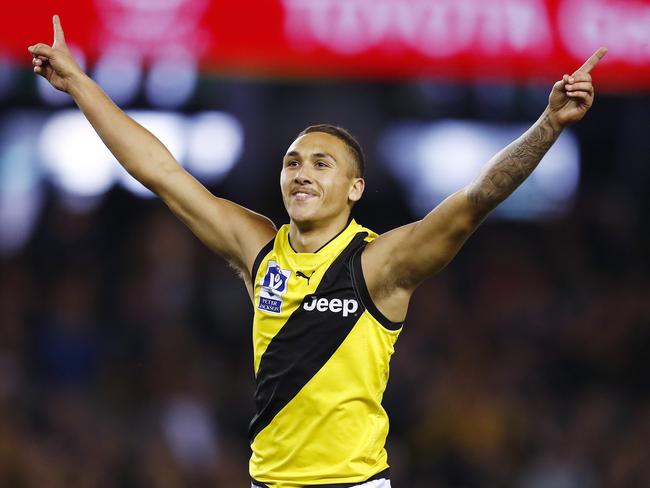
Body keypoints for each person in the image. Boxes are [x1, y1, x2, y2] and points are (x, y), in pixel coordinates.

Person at [29, 14, 607, 488]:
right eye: (292, 163)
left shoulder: (381, 263)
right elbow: (161, 173)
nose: (301, 174)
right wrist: (79, 82)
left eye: (321, 164)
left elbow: (478, 197)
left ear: (355, 189)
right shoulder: (259, 248)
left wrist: (548, 124)